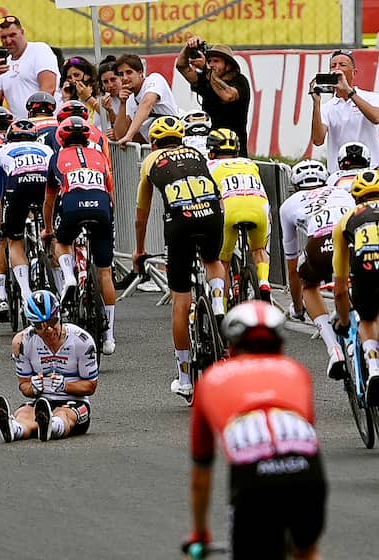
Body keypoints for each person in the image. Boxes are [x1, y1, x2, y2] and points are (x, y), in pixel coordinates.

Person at [187, 300, 352, 560]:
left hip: (254, 481)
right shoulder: (296, 373)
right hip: (304, 470)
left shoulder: (213, 378)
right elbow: (304, 431)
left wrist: (201, 532)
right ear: (279, 342)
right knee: (307, 552)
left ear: (231, 344)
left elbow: (203, 472)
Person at [132, 117, 226, 403]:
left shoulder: (150, 162)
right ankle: (219, 303)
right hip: (212, 215)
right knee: (212, 260)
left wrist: (139, 250)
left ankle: (185, 379)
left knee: (181, 302)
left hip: (179, 223)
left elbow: (142, 214)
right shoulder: (197, 155)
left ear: (154, 143)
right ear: (181, 140)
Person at [43, 116, 117, 354]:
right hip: (102, 207)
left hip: (74, 205)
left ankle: (69, 277)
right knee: (105, 271)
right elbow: (110, 190)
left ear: (61, 139)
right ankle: (109, 337)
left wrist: (48, 229)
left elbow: (50, 200)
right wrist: (110, 220)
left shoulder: (57, 157)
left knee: (62, 242)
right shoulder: (99, 156)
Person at [332, 170, 379, 407]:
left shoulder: (346, 220)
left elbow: (340, 288)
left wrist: (343, 321)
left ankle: (373, 365)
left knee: (368, 318)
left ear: (355, 198)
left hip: (367, 272)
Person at [279, 159, 354, 380]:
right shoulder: (342, 192)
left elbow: (292, 266)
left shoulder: (289, 204)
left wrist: (298, 307)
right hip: (350, 238)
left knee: (308, 284)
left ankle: (334, 350)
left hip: (319, 243)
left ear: (294, 186)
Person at [0, 289, 97, 443]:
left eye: (53, 322)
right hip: (42, 403)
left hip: (75, 403)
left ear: (60, 316)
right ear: (33, 325)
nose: (49, 330)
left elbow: (91, 386)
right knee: (25, 413)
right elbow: (24, 386)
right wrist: (33, 388)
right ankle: (14, 429)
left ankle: (52, 426)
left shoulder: (82, 341)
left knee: (64, 414)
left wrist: (64, 386)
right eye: (41, 325)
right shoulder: (22, 342)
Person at [0, 119, 52, 323]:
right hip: (44, 187)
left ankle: (26, 295)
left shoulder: (0, 150)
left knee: (14, 241)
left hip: (18, 186)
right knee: (54, 235)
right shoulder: (46, 148)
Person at [207, 127, 272, 300]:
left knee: (223, 262)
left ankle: (225, 303)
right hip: (258, 206)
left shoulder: (210, 166)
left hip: (230, 208)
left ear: (211, 153)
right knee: (259, 249)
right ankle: (264, 281)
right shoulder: (250, 164)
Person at [309, 50, 379, 172]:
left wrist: (348, 91)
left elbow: (377, 118)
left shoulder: (371, 97)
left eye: (342, 65)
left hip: (371, 169)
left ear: (354, 73)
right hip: (339, 172)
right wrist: (316, 103)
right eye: (333, 66)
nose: (337, 69)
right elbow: (318, 140)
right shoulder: (326, 108)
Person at [0, 14, 57, 120]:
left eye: (12, 35)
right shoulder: (3, 65)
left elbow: (48, 88)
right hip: (20, 130)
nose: (8, 41)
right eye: (3, 37)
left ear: (22, 32)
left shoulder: (39, 50)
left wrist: (34, 120)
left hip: (45, 122)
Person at [174, 38, 250, 143]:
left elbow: (228, 96)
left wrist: (207, 69)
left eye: (216, 61)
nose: (211, 64)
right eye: (209, 61)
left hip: (233, 146)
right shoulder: (207, 79)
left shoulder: (239, 81)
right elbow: (181, 66)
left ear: (228, 65)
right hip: (211, 144)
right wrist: (188, 47)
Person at [113, 53, 181, 145]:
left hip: (174, 142)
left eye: (129, 72)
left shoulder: (154, 79)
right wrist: (122, 103)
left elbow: (147, 103)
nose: (124, 78)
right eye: (121, 74)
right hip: (156, 147)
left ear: (140, 73)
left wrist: (129, 136)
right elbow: (120, 136)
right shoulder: (130, 98)